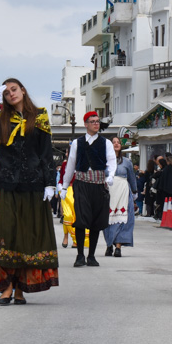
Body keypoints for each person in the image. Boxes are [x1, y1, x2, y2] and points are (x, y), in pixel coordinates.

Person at [0, 78, 58, 305]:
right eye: (5, 93)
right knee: (6, 235)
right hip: (5, 183)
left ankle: (20, 290)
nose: (11, 94)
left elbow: (45, 153)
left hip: (33, 184)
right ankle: (7, 286)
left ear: (23, 90)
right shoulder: (2, 117)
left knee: (27, 238)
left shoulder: (40, 116)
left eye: (13, 90)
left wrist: (50, 183)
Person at [59, 111, 115, 267]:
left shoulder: (106, 143)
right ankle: (79, 256)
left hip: (99, 184)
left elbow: (111, 162)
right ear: (86, 124)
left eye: (97, 121)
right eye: (92, 121)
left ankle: (91, 255)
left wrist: (110, 176)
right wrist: (64, 185)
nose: (96, 124)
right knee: (81, 219)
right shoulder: (77, 143)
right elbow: (70, 165)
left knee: (97, 220)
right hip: (82, 183)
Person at [101, 137, 138, 257]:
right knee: (107, 218)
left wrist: (134, 190)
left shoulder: (127, 162)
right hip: (108, 192)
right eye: (114, 142)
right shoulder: (104, 160)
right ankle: (108, 245)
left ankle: (118, 246)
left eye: (118, 142)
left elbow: (132, 177)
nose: (116, 144)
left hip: (123, 191)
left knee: (123, 218)